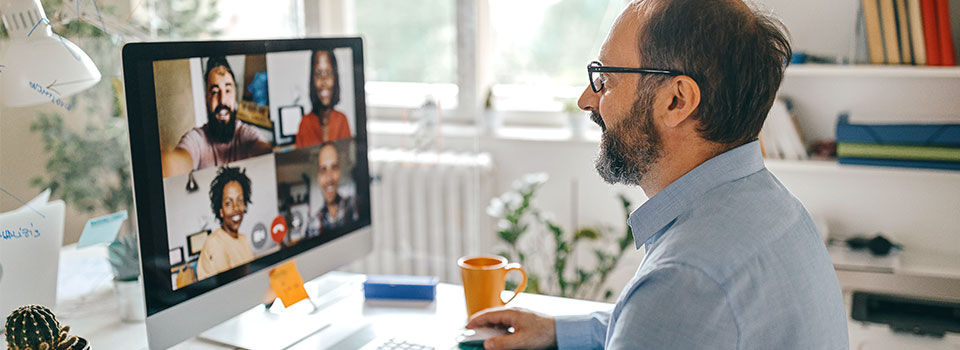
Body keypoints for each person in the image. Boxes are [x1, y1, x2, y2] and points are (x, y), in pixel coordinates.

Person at [465, 1, 847, 349]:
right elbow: (682, 327)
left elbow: (676, 310)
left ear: (676, 101)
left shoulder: (685, 278)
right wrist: (558, 332)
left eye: (607, 79)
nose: (587, 99)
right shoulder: (778, 211)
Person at [162, 56, 273, 178]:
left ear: (235, 96)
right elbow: (174, 163)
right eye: (215, 92)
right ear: (206, 100)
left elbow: (263, 151)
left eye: (228, 90)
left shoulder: (247, 134)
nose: (222, 100)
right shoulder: (196, 140)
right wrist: (167, 163)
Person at [196, 166, 256, 280]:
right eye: (228, 203)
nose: (236, 207)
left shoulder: (244, 240)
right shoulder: (214, 243)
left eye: (240, 200)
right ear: (221, 211)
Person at [295, 50, 352, 148]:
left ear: (335, 78)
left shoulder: (342, 120)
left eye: (328, 73)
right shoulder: (305, 123)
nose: (324, 81)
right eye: (318, 74)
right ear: (312, 80)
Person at [315, 142, 358, 233]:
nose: (329, 178)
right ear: (318, 178)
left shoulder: (354, 206)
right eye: (323, 170)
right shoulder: (313, 223)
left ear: (340, 171)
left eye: (334, 167)